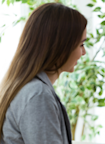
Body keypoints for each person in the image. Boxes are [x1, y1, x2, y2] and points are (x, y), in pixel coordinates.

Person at [0, 3, 87, 144]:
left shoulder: (29, 88)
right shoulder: (38, 94)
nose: (83, 53)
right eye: (81, 45)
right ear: (61, 46)